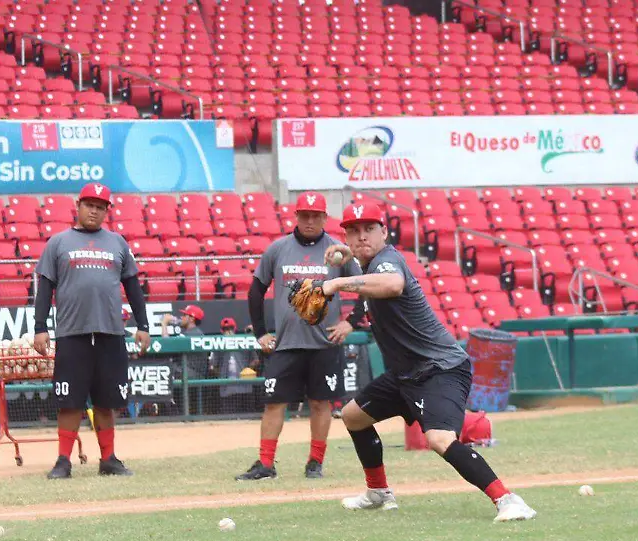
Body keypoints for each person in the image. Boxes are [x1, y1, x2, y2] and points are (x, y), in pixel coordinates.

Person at [321, 202, 536, 522]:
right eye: (353, 231)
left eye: (369, 229)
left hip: (441, 368)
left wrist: (336, 283)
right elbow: (368, 268)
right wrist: (349, 255)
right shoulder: (368, 263)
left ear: (384, 233)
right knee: (354, 416)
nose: (362, 236)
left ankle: (508, 499)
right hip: (406, 374)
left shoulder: (388, 260)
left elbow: (392, 283)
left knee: (438, 439)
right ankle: (378, 492)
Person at [236, 192, 361, 481]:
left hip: (324, 344)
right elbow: (256, 290)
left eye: (316, 215)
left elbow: (363, 285)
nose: (310, 220)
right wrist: (260, 332)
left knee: (321, 403)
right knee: (274, 403)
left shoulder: (339, 251)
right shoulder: (278, 249)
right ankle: (266, 464)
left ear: (325, 218)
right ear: (296, 216)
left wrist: (351, 323)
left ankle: (315, 462)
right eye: (305, 215)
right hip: (286, 344)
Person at [33, 182, 151, 479]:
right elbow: (44, 288)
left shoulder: (118, 243)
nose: (94, 211)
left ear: (106, 211)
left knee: (107, 400)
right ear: (78, 205)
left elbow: (133, 287)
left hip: (111, 332)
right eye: (90, 205)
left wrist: (144, 325)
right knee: (69, 400)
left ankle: (108, 458)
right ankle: (63, 460)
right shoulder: (58, 243)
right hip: (73, 333)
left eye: (100, 207)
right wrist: (40, 327)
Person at [209, 317, 260, 415]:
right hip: (227, 390)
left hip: (245, 387)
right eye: (225, 329)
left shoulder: (244, 340)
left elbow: (256, 360)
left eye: (230, 329)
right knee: (229, 419)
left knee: (248, 419)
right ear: (221, 331)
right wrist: (222, 375)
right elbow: (212, 366)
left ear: (235, 329)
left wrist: (247, 369)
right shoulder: (217, 344)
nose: (228, 332)